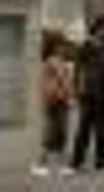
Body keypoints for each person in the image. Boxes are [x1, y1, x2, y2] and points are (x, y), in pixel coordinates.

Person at [70, 13, 104, 172]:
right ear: (98, 28)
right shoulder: (86, 44)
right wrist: (76, 88)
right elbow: (78, 68)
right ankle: (77, 160)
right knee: (84, 127)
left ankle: (101, 159)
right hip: (89, 92)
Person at [34, 28, 75, 179]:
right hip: (54, 100)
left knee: (60, 132)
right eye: (61, 44)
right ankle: (42, 163)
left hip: (60, 99)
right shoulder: (52, 61)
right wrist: (69, 94)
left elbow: (65, 81)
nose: (64, 47)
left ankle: (60, 164)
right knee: (52, 132)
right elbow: (60, 81)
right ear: (55, 46)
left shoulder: (59, 61)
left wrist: (69, 94)